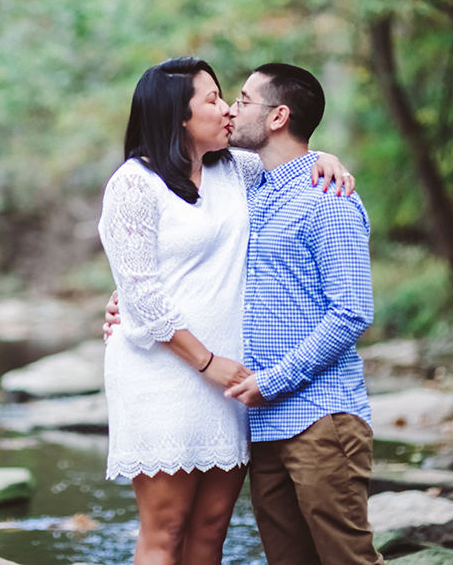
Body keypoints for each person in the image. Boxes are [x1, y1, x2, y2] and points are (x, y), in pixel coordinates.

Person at [99, 57, 354, 565]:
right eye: (212, 100)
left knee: (212, 528)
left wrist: (328, 157)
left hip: (234, 378)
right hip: (167, 372)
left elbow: (290, 154)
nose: (226, 110)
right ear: (179, 117)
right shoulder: (133, 184)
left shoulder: (236, 170)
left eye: (226, 98)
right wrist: (207, 362)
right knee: (166, 528)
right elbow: (143, 292)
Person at [222, 63, 383, 565]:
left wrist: (275, 379)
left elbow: (353, 311)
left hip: (320, 417)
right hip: (264, 425)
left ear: (278, 116)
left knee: (346, 560)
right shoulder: (250, 192)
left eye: (244, 99)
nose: (232, 108)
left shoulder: (328, 199)